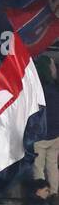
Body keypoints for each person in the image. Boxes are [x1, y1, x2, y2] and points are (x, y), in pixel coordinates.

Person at [35, 56, 59, 192]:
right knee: (52, 165)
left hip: (40, 134)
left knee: (38, 167)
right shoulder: (55, 89)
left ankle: (41, 193)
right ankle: (54, 192)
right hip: (55, 134)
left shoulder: (37, 89)